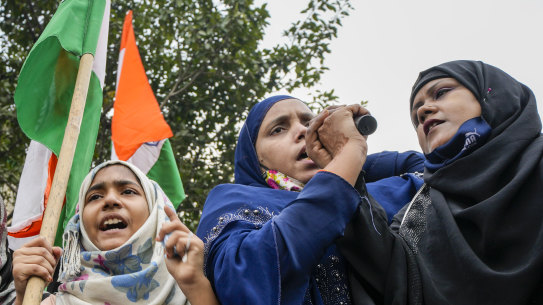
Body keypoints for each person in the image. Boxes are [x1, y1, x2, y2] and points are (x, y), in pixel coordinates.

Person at [334, 60, 543, 304]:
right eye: (415, 116)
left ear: (490, 94)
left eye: (441, 93)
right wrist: (344, 156)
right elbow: (394, 279)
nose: (423, 111)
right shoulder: (416, 215)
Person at [196, 95, 425, 305]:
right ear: (256, 159)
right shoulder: (233, 200)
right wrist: (346, 160)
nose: (302, 132)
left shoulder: (362, 193)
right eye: (278, 129)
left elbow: (432, 170)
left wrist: (346, 156)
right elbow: (244, 277)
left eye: (309, 123)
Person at [12, 160, 219, 305]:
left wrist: (195, 285)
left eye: (128, 191)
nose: (110, 200)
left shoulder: (196, 288)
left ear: (155, 214)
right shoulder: (52, 302)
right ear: (80, 224)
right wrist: (22, 298)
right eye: (94, 197)